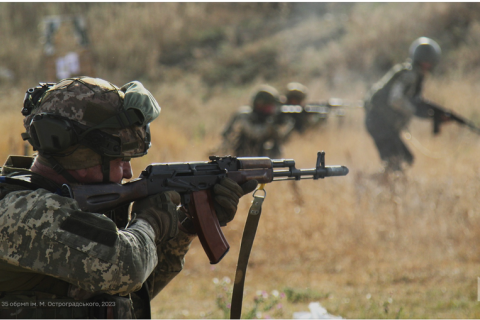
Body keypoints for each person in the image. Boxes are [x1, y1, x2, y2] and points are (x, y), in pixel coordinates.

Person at [0, 77, 257, 318]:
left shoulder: (67, 204)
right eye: (120, 159)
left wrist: (186, 224)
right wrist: (150, 221)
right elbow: (127, 268)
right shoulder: (21, 212)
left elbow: (130, 292)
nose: (128, 171)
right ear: (82, 157)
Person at [364, 37, 442, 171]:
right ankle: (375, 184)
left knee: (406, 159)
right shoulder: (410, 75)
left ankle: (381, 183)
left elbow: (413, 101)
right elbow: (396, 99)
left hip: (383, 124)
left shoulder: (413, 74)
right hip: (381, 124)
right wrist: (413, 111)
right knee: (395, 163)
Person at [220, 84, 294, 158]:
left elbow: (282, 139)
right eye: (270, 106)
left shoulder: (267, 119)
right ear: (260, 104)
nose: (273, 109)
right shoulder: (244, 115)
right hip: (237, 158)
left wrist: (287, 125)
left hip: (257, 157)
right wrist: (271, 125)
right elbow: (255, 134)